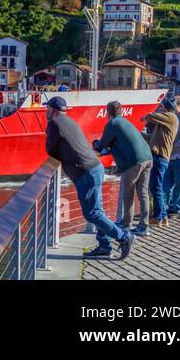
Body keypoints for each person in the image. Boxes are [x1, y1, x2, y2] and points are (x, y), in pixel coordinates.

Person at [46, 96, 133, 259]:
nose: (45, 111)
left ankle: (124, 236)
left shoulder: (54, 123)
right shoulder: (71, 122)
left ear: (52, 110)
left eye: (47, 108)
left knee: (92, 213)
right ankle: (105, 246)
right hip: (95, 167)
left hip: (84, 172)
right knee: (97, 210)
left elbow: (50, 149)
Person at [93, 101, 153, 237]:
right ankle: (144, 226)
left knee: (128, 193)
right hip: (148, 157)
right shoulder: (125, 122)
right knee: (143, 193)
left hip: (134, 161)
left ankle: (126, 223)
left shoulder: (113, 124)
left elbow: (101, 145)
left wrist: (95, 144)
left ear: (108, 113)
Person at [143, 99, 178, 227]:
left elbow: (151, 115)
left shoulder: (171, 117)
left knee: (155, 187)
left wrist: (144, 117)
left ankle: (158, 217)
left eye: (162, 107)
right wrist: (139, 134)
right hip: (158, 157)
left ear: (166, 108)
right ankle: (163, 217)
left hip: (160, 157)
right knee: (155, 187)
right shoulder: (163, 123)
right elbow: (152, 139)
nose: (161, 109)